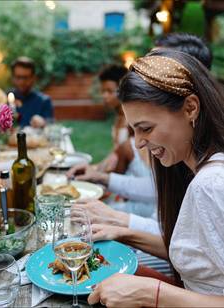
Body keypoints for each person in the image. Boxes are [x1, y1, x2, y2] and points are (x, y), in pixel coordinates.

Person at [84, 49, 224, 307]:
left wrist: (153, 293)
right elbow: (197, 257)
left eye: (146, 128)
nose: (138, 143)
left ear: (190, 108)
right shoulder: (192, 171)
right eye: (133, 130)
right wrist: (124, 233)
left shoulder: (211, 185)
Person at [10, 57, 54, 128]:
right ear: (12, 77)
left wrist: (44, 123)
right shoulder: (4, 98)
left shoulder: (44, 101)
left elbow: (51, 126)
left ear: (33, 78)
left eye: (25, 77)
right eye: (18, 77)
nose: (22, 82)